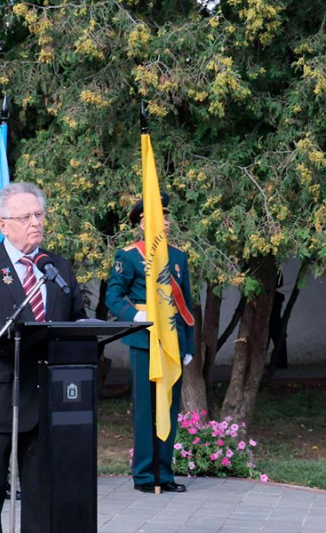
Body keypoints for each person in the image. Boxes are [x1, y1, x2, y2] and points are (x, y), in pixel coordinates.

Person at [0, 182, 87, 533]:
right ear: (2, 224)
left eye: (39, 215)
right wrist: (14, 332)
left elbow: (75, 318)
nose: (35, 223)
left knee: (43, 495)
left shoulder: (57, 267)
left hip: (46, 398)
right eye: (25, 217)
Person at [105, 193, 195, 494]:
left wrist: (189, 346)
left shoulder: (178, 257)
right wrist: (136, 315)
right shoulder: (130, 256)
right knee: (145, 408)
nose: (164, 223)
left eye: (166, 218)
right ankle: (144, 474)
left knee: (168, 406)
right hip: (144, 339)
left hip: (172, 339)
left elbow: (186, 305)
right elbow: (113, 296)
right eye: (158, 218)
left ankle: (165, 473)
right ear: (143, 224)